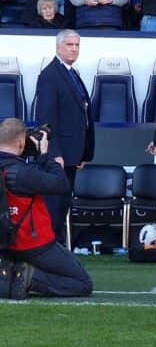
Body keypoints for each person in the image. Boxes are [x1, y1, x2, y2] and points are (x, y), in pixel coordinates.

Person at [0, 118, 92, 301]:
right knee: (82, 283)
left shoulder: (17, 170)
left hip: (3, 245)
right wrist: (44, 155)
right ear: (21, 143)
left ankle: (9, 269)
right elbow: (61, 183)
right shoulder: (24, 173)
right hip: (33, 245)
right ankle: (29, 277)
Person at [33, 30, 95, 244]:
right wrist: (54, 152)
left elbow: (83, 115)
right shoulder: (50, 75)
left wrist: (85, 151)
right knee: (54, 208)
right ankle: (50, 253)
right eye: (69, 45)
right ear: (58, 47)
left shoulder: (71, 73)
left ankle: (57, 253)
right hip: (60, 156)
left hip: (72, 155)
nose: (74, 48)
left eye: (77, 45)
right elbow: (46, 119)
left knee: (62, 207)